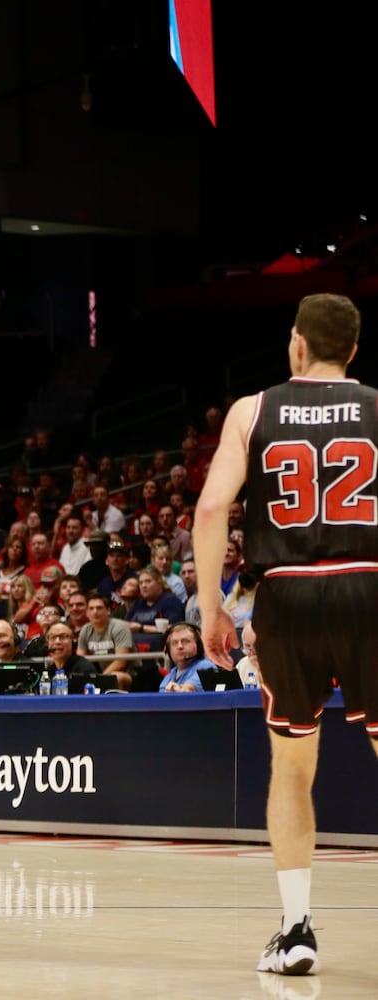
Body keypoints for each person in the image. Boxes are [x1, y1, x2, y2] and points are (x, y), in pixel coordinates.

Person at [194, 292, 377, 977]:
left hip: (286, 597)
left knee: (293, 766)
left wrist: (211, 605)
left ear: (296, 344)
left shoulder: (253, 410)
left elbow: (213, 506)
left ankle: (295, 931)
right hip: (369, 582)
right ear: (352, 352)